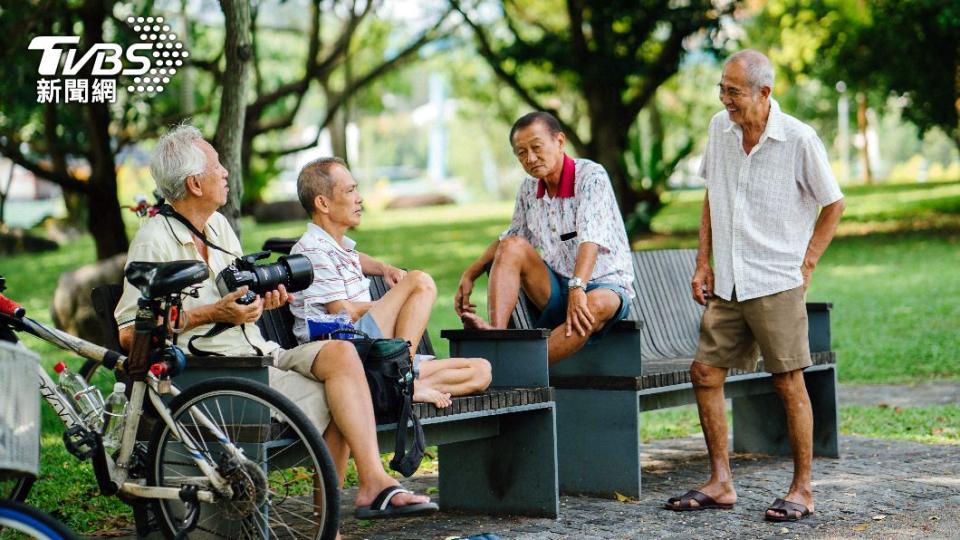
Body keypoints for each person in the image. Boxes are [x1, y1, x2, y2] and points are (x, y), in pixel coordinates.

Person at [113, 124, 437, 525]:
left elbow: (235, 297)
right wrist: (215, 314)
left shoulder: (217, 227)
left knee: (342, 357)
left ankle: (368, 485)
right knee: (344, 397)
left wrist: (260, 303)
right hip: (214, 375)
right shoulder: (153, 240)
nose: (226, 171)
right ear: (195, 183)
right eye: (218, 166)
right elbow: (130, 333)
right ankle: (339, 516)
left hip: (260, 355)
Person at [664, 50, 845, 522]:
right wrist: (703, 261)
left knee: (788, 381)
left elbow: (833, 204)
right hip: (729, 280)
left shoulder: (799, 139)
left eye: (733, 91)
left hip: (775, 279)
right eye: (722, 88)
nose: (724, 99)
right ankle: (721, 482)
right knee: (705, 372)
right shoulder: (718, 129)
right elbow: (711, 193)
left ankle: (802, 490)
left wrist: (806, 264)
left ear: (764, 93)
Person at [289, 157, 492, 408]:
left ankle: (398, 383)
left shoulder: (338, 248)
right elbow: (343, 312)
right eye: (350, 190)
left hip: (373, 353)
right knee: (419, 282)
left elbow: (355, 259)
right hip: (346, 350)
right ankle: (403, 379)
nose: (359, 198)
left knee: (481, 371)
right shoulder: (311, 251)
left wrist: (383, 268)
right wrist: (395, 303)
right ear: (323, 203)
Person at [455, 111, 634, 364]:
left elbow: (590, 238)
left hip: (604, 286)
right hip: (555, 287)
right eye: (521, 153)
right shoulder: (529, 188)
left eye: (537, 147)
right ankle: (497, 337)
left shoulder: (591, 176)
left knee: (593, 306)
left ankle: (518, 365)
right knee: (512, 245)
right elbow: (511, 238)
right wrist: (471, 272)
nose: (530, 158)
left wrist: (578, 286)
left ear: (559, 141)